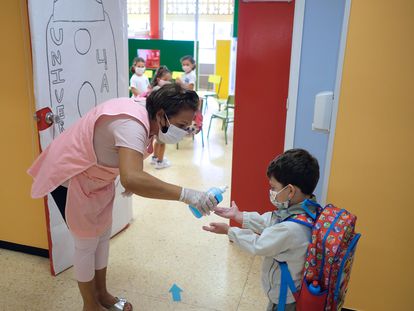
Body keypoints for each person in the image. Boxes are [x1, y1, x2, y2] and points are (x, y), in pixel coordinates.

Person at [28, 84, 219, 311]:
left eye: (188, 126)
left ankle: (102, 293)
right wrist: (186, 195)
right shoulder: (131, 123)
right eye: (181, 125)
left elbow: (128, 163)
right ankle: (90, 305)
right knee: (86, 244)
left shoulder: (150, 116)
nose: (185, 131)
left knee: (101, 237)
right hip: (73, 177)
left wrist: (131, 175)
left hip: (98, 179)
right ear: (161, 115)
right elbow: (132, 178)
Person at [203, 149, 320, 311]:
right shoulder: (305, 210)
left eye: (274, 188)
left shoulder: (291, 229)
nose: (271, 192)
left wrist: (229, 231)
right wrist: (239, 216)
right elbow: (270, 221)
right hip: (289, 288)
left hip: (285, 298)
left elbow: (259, 244)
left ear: (290, 191)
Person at [148, 66, 173, 169]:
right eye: (166, 80)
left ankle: (154, 157)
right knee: (162, 142)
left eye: (169, 80)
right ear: (159, 80)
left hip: (155, 120)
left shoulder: (155, 89)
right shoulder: (160, 91)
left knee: (157, 140)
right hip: (161, 121)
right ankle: (160, 161)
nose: (168, 82)